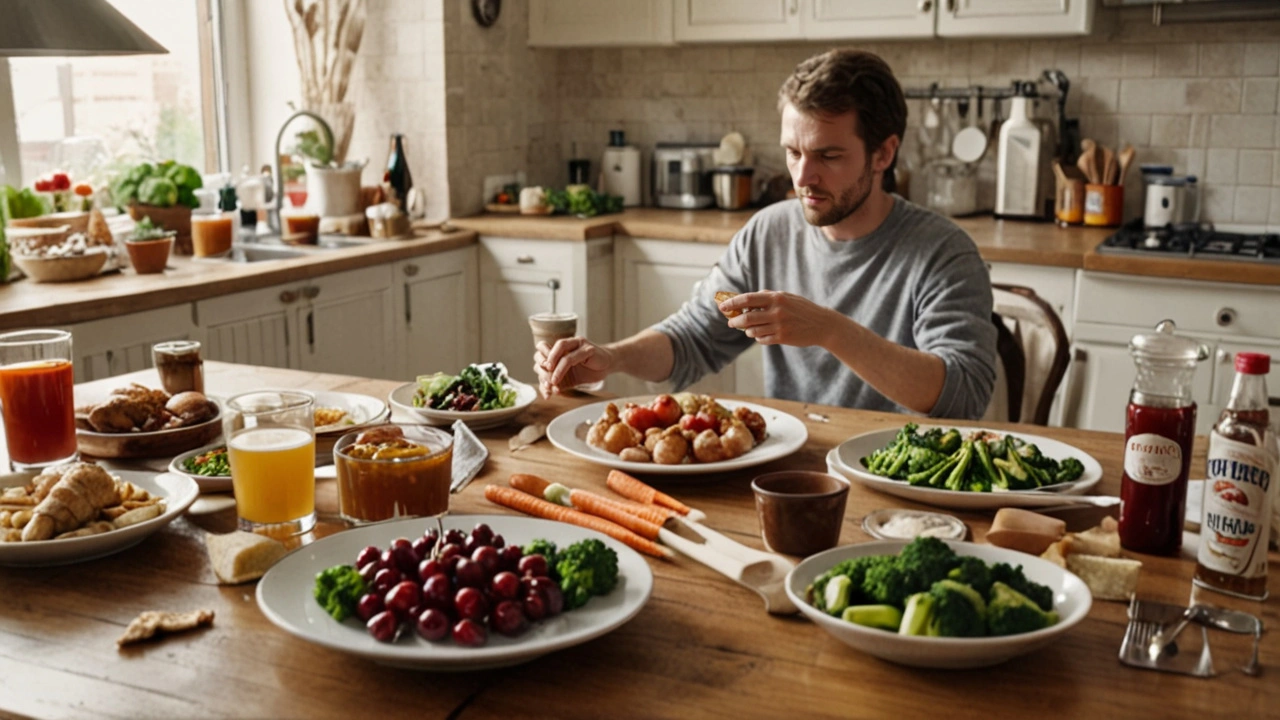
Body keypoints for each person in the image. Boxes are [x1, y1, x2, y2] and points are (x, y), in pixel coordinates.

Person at [535, 49, 997, 420]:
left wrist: (829, 330)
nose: (804, 176)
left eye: (828, 156)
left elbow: (964, 394)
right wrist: (611, 358)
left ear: (883, 154)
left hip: (895, 480)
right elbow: (695, 338)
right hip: (794, 466)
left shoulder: (943, 251)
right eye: (793, 152)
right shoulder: (768, 232)